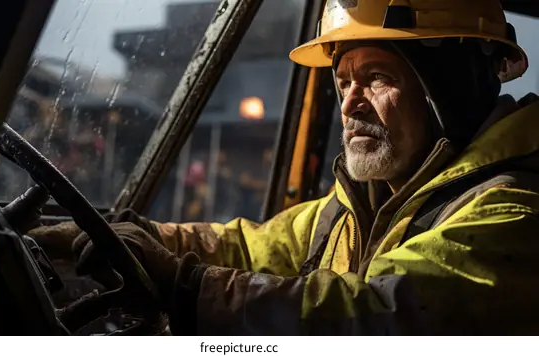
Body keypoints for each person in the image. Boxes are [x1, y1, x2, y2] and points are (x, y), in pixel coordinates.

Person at [29, 0, 539, 335]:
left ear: (447, 91)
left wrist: (185, 287)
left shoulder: (514, 211)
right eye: (343, 83)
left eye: (377, 77)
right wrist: (128, 236)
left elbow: (378, 314)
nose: (351, 105)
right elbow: (246, 247)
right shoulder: (361, 205)